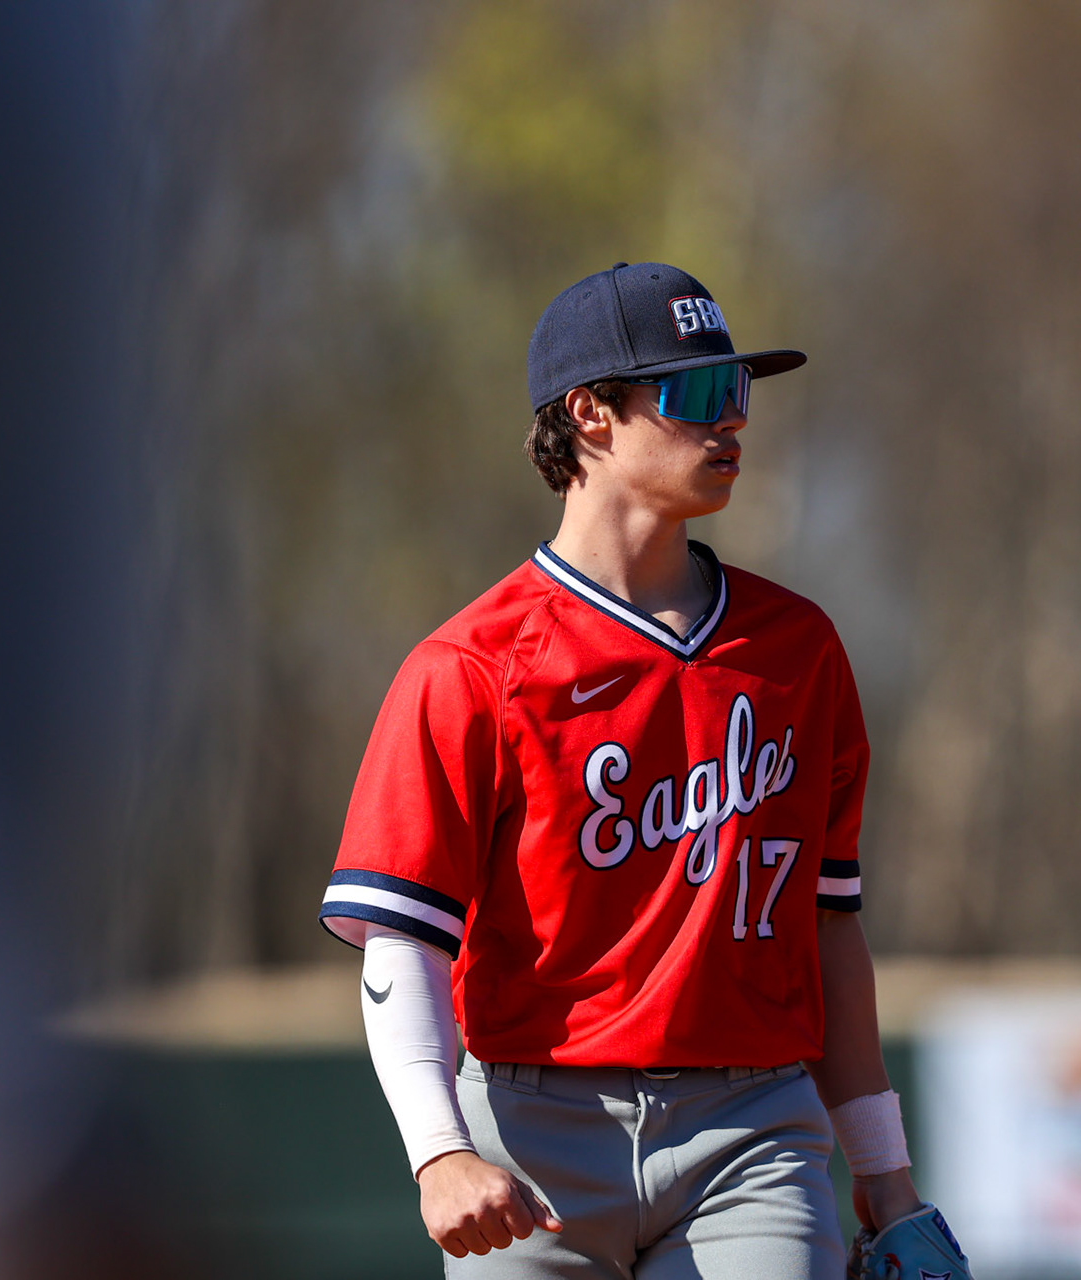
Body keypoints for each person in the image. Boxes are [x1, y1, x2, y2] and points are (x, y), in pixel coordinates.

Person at [318, 262, 970, 1279]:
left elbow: (828, 926)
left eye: (738, 389)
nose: (732, 419)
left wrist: (886, 1176)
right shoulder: (471, 667)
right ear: (591, 413)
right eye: (697, 392)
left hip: (752, 1129)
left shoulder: (797, 650)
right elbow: (402, 937)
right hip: (531, 1134)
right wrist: (439, 1151)